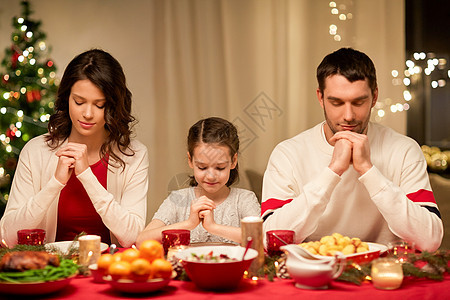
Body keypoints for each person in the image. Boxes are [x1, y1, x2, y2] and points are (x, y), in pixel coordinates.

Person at [261, 47, 443, 252]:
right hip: (314, 274)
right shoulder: (288, 154)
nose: (348, 115)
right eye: (336, 102)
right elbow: (271, 240)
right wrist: (332, 172)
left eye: (358, 102)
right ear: (320, 97)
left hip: (383, 274)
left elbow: (430, 241)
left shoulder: (404, 150)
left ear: (374, 97)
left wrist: (368, 171)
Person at [0, 49, 149, 247]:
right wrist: (55, 183)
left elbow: (132, 237)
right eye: (79, 102)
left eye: (99, 105)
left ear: (113, 105)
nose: (87, 113)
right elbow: (8, 238)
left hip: (108, 269)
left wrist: (87, 176)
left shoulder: (134, 155)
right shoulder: (36, 151)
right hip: (50, 271)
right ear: (66, 98)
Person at [136, 117, 260, 247]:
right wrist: (189, 223)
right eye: (202, 167)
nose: (211, 176)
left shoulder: (244, 199)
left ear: (234, 161)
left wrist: (213, 227)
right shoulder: (179, 199)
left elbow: (260, 239)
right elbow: (141, 241)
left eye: (220, 167)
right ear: (190, 160)